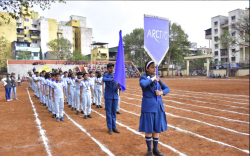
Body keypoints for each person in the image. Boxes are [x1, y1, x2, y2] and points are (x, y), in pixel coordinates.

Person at [139, 61, 170, 156]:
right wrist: (153, 79)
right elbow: (143, 84)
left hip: (158, 107)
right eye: (152, 67)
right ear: (147, 69)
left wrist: (161, 93)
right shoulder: (144, 78)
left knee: (157, 129)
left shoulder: (158, 79)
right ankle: (149, 150)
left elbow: (167, 88)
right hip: (148, 107)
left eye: (155, 68)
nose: (154, 69)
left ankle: (155, 149)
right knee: (149, 129)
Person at [103, 63, 121, 134]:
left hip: (115, 96)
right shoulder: (105, 75)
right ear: (107, 69)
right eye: (110, 68)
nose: (112, 69)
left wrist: (119, 86)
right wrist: (112, 79)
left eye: (112, 68)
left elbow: (119, 84)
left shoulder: (116, 76)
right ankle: (110, 127)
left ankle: (114, 127)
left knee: (114, 112)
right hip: (108, 96)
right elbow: (104, 79)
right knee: (109, 112)